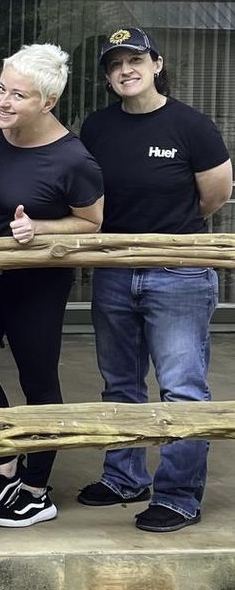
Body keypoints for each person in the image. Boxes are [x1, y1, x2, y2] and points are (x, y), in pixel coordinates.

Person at [78, 27, 232, 533]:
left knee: (182, 388)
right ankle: (124, 477)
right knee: (120, 382)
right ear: (107, 76)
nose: (126, 70)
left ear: (156, 65)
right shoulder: (97, 127)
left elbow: (213, 197)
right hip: (114, 271)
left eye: (135, 60)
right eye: (115, 64)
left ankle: (178, 496)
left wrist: (168, 241)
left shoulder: (192, 126)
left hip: (180, 273)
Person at [0, 44, 104, 529]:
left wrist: (40, 228)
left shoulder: (73, 158)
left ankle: (37, 489)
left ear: (47, 102)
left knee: (37, 380)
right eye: (1, 88)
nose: (1, 100)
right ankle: (6, 472)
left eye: (17, 95)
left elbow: (91, 223)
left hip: (35, 285)